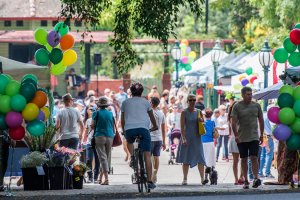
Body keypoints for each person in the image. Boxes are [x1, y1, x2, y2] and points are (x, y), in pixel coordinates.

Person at [121, 82, 158, 189]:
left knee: (129, 141)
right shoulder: (146, 102)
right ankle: (150, 181)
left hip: (129, 129)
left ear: (131, 92)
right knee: (147, 155)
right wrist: (154, 126)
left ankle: (132, 156)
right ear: (142, 92)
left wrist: (124, 131)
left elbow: (123, 120)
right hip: (144, 129)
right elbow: (152, 118)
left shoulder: (125, 102)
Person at [231, 87, 264, 189]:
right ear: (243, 95)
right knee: (244, 159)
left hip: (254, 136)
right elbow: (233, 122)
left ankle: (255, 178)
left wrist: (262, 134)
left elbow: (261, 120)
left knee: (254, 157)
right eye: (248, 94)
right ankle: (245, 180)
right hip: (242, 137)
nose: (250, 96)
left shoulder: (256, 106)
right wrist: (236, 135)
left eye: (251, 94)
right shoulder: (237, 106)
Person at [176, 94, 206, 185]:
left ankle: (202, 178)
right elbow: (182, 127)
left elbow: (203, 123)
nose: (192, 102)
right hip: (187, 137)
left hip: (197, 137)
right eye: (190, 100)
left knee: (200, 157)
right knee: (186, 158)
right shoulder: (184, 112)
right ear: (187, 102)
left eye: (194, 100)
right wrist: (184, 138)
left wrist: (201, 121)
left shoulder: (199, 111)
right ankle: (185, 179)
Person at [91, 97, 115, 185]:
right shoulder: (110, 113)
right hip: (110, 136)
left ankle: (107, 179)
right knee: (105, 158)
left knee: (102, 158)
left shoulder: (96, 113)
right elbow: (112, 125)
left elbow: (92, 125)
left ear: (99, 105)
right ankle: (100, 178)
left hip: (99, 136)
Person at [150, 97, 166, 183]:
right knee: (156, 157)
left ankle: (151, 172)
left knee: (148, 156)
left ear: (151, 103)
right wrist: (164, 141)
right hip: (159, 138)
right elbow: (163, 129)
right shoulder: (161, 113)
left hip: (150, 137)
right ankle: (155, 173)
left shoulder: (148, 112)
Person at [82, 105, 100, 183]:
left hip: (98, 141)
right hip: (89, 142)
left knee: (97, 160)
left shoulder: (99, 119)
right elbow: (86, 132)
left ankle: (95, 177)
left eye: (93, 110)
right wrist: (83, 141)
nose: (92, 112)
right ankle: (90, 176)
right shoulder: (88, 120)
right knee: (88, 159)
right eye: (91, 110)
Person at [228, 101, 244, 185]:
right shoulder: (233, 117)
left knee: (241, 159)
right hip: (236, 139)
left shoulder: (231, 117)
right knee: (237, 160)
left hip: (237, 138)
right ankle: (237, 178)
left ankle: (240, 177)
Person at [202, 108, 216, 185]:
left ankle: (205, 177)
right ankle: (211, 176)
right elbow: (214, 131)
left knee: (205, 160)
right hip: (211, 142)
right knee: (210, 160)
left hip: (203, 142)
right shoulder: (212, 122)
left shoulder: (203, 123)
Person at [259, 113, 275, 179]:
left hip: (263, 137)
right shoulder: (268, 117)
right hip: (268, 137)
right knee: (269, 155)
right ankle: (267, 173)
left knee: (263, 155)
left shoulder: (262, 117)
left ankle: (260, 172)